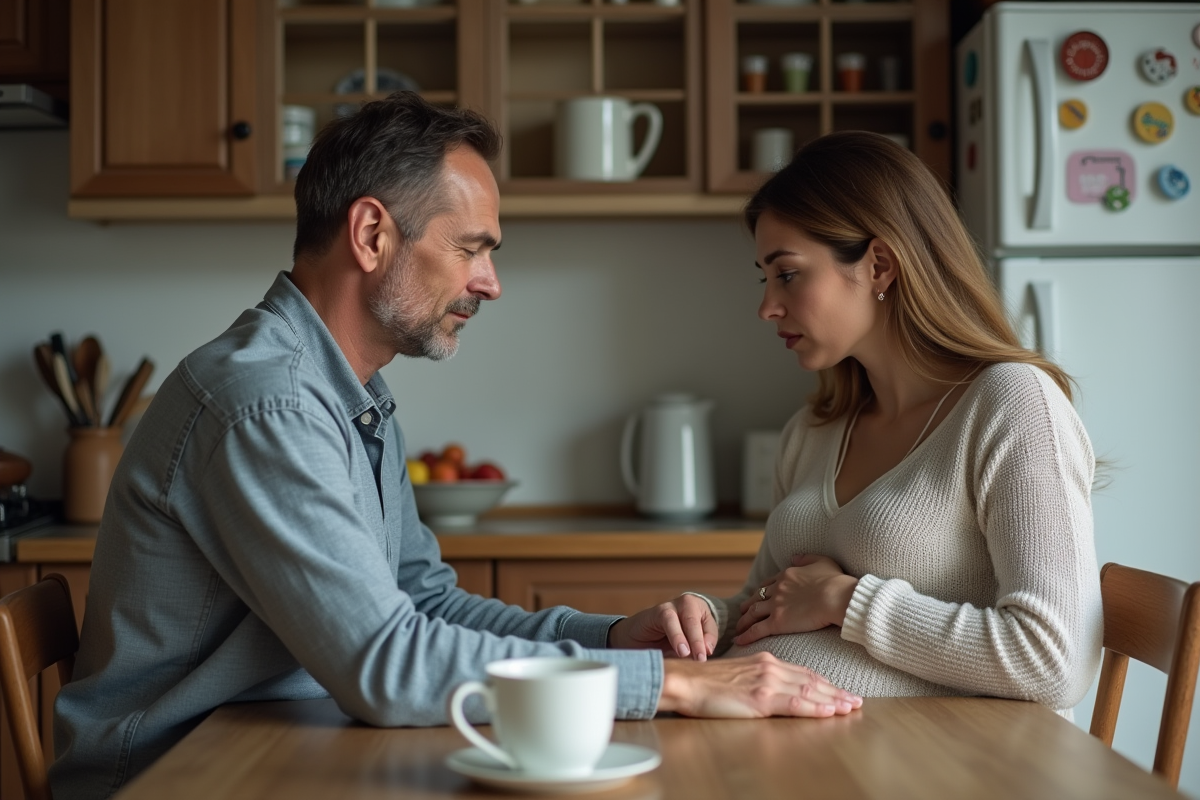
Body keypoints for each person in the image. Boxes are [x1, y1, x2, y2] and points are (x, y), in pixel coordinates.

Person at [48, 93, 860, 799]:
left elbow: (423, 603)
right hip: (174, 778)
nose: (489, 283)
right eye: (470, 248)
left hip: (275, 743)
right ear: (372, 235)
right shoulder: (267, 406)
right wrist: (676, 683)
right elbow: (386, 665)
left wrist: (611, 638)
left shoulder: (347, 395)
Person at [676, 131, 1103, 712]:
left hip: (932, 769)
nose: (767, 306)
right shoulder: (814, 430)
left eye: (789, 274)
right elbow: (769, 605)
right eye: (765, 277)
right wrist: (707, 618)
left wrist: (847, 601)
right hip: (781, 756)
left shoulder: (1011, 404)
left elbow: (1054, 661)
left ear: (878, 265)